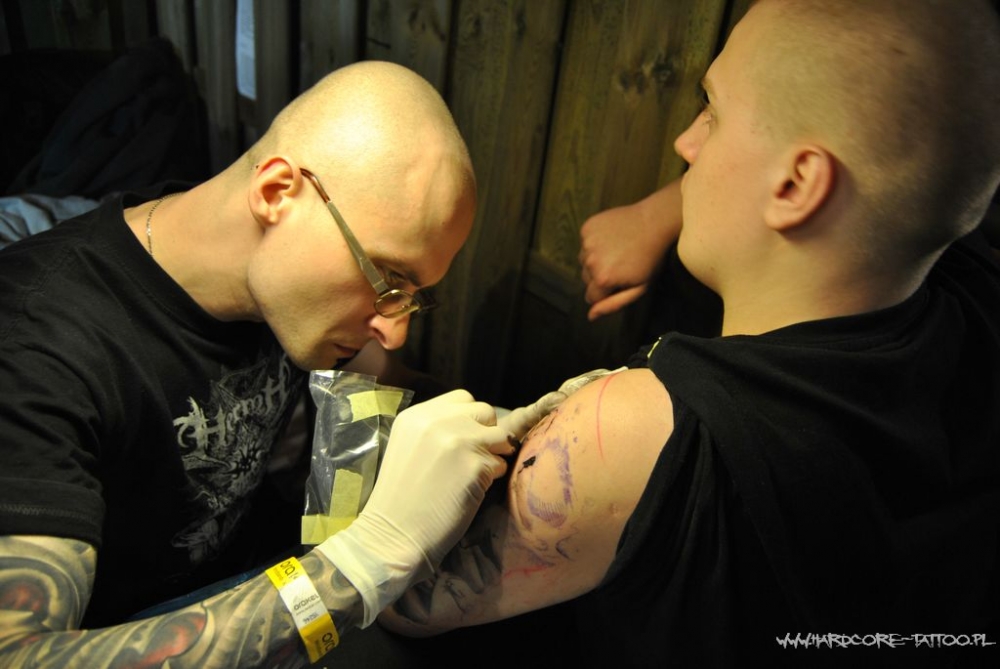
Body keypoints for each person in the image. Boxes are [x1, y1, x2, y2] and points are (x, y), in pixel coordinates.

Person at [379, 0, 1000, 666]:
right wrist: (661, 212)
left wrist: (367, 393)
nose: (686, 143)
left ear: (796, 183)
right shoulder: (974, 293)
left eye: (713, 111)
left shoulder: (639, 437)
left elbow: (401, 601)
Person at [0, 60, 526, 667]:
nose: (394, 329)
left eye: (411, 297)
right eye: (386, 277)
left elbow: (379, 379)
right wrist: (366, 561)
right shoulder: (32, 348)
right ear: (276, 193)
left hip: (251, 572)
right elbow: (20, 655)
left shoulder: (269, 280)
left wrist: (488, 428)